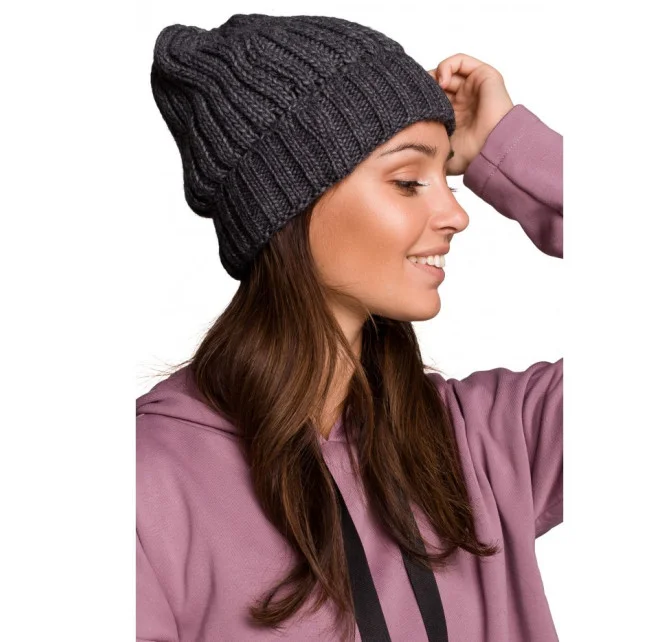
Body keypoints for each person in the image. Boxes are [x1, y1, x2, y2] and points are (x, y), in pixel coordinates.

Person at [137, 13, 563, 642]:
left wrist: (510, 150)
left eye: (447, 178)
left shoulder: (489, 441)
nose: (456, 213)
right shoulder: (145, 487)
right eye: (409, 182)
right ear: (289, 205)